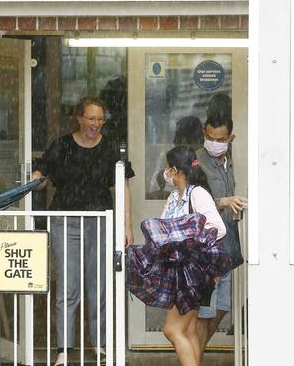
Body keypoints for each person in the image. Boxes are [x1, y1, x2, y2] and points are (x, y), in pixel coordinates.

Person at [31, 96, 134, 366]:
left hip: (100, 221)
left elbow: (122, 186)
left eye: (100, 119)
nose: (96, 124)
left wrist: (126, 226)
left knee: (98, 285)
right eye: (91, 118)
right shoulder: (62, 146)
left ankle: (98, 345)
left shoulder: (110, 148)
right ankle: (64, 349)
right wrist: (34, 180)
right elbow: (42, 177)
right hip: (65, 220)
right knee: (68, 285)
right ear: (79, 118)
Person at [130, 146, 227, 366]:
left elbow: (219, 228)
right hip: (180, 274)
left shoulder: (198, 193)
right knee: (190, 331)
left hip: (193, 274)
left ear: (174, 170)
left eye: (167, 168)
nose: (165, 173)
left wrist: (186, 238)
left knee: (172, 330)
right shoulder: (175, 196)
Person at [191, 113, 247, 365]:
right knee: (205, 311)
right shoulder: (196, 162)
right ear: (204, 132)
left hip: (227, 246)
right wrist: (222, 202)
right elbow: (191, 202)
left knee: (222, 307)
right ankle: (193, 357)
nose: (214, 142)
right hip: (206, 249)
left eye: (220, 139)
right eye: (210, 137)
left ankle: (194, 352)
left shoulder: (229, 162)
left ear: (230, 138)